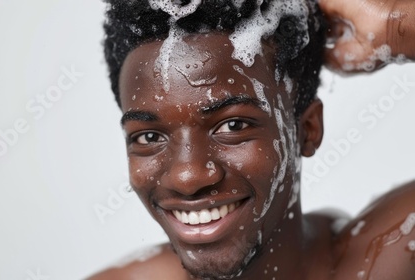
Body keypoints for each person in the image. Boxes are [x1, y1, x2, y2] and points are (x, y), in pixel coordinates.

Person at [90, 0, 415, 279]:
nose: (187, 177)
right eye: (148, 136)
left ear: (308, 129)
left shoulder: (393, 257)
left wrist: (395, 26)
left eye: (232, 126)